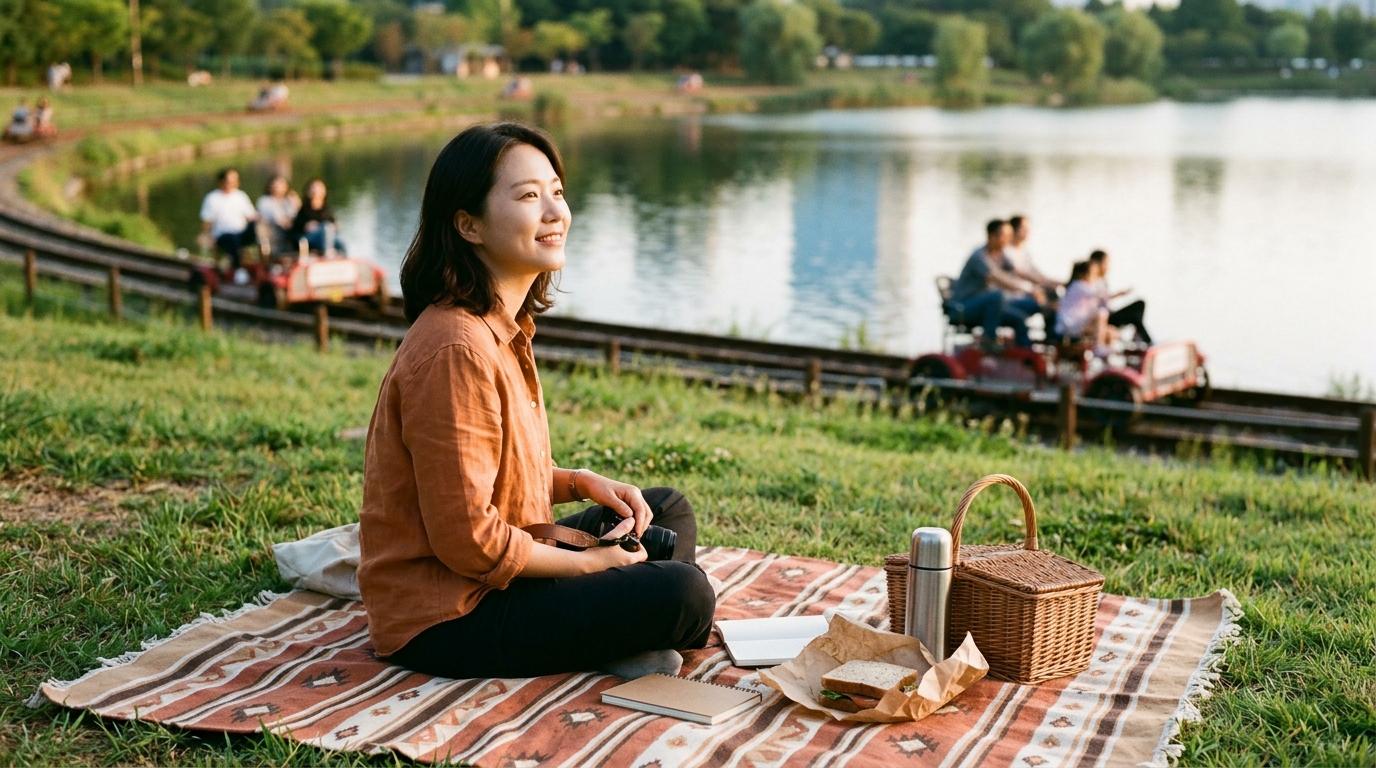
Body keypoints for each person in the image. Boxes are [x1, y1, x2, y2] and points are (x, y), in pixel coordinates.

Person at [358, 123, 715, 681]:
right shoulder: (457, 348)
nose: (555, 212)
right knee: (683, 592)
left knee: (662, 508)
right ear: (468, 224)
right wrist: (586, 566)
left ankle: (615, 632)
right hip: (450, 618)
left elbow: (485, 472)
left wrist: (577, 482)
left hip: (502, 577)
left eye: (556, 191)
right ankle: (622, 632)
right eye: (528, 196)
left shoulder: (500, 329)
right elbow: (469, 540)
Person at [945, 219, 1036, 349]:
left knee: (1019, 318)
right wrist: (1028, 290)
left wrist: (1045, 286)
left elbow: (1019, 272)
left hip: (983, 307)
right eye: (1004, 236)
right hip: (962, 307)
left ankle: (1026, 358)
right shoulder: (979, 256)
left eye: (1010, 236)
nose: (1008, 239)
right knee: (997, 296)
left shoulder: (1001, 254)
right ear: (991, 236)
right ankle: (989, 341)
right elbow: (996, 277)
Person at [199, 168, 259, 273]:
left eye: (234, 180)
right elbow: (207, 221)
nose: (231, 183)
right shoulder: (212, 198)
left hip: (241, 233)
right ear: (221, 181)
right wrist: (208, 236)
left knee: (257, 230)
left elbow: (251, 216)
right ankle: (238, 270)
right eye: (228, 180)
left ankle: (262, 266)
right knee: (233, 239)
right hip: (223, 235)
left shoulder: (241, 196)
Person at [1087, 250, 1152, 345]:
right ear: (1097, 264)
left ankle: (1137, 336)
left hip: (1109, 313)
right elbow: (1095, 299)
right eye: (1106, 263)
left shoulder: (1102, 280)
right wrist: (1118, 294)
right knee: (1134, 316)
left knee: (1140, 303)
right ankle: (1149, 342)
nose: (1108, 267)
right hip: (1103, 319)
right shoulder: (1090, 280)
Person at [1055, 260, 1116, 358]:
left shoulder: (1082, 288)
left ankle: (1106, 361)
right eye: (1092, 274)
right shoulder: (1078, 285)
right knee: (1101, 314)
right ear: (1082, 274)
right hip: (1069, 325)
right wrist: (1121, 293)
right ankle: (1098, 348)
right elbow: (1101, 296)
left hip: (1076, 324)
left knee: (1110, 331)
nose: (1094, 278)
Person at [290, 179, 346, 255]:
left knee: (339, 240)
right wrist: (306, 226)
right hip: (307, 238)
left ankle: (344, 258)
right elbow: (298, 226)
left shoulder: (326, 209)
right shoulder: (304, 209)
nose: (316, 191)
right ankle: (327, 253)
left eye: (319, 188)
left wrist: (334, 226)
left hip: (324, 238)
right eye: (314, 188)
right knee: (326, 227)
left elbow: (333, 224)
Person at [256, 175, 300, 256]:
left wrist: (296, 202)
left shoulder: (288, 200)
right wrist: (286, 221)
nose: (277, 188)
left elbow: (296, 215)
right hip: (272, 231)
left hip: (289, 229)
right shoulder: (265, 201)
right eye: (275, 185)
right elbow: (276, 218)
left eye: (281, 185)